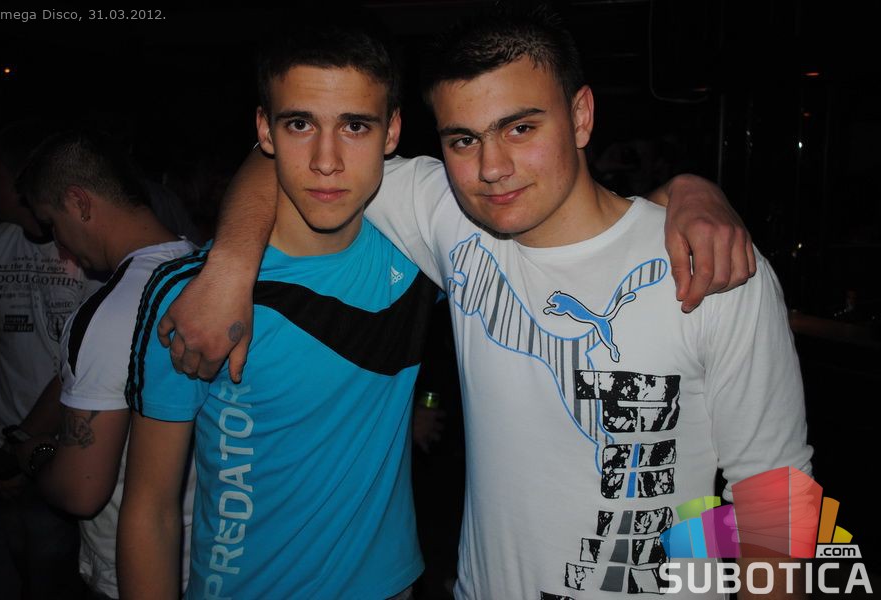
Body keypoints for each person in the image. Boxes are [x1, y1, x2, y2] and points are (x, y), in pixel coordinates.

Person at [157, 6, 811, 599]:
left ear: (581, 115)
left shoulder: (712, 269)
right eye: (463, 139)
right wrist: (229, 268)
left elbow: (775, 502)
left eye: (520, 128)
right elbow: (290, 154)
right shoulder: (448, 214)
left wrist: (691, 187)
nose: (492, 167)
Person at [117, 22, 437, 600]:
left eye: (355, 126)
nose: (326, 161)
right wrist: (233, 261)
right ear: (265, 130)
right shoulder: (193, 297)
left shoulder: (420, 254)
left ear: (391, 131)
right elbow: (151, 509)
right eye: (299, 124)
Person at [9, 130, 197, 599]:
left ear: (79, 202)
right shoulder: (207, 272)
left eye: (53, 223)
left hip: (131, 574)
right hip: (213, 561)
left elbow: (83, 488)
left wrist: (34, 452)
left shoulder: (109, 313)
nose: (60, 245)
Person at [0, 120, 100, 600]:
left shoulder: (87, 252)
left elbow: (79, 366)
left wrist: (22, 449)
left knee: (53, 580)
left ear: (19, 181)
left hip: (60, 452)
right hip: (1, 445)